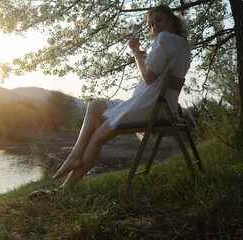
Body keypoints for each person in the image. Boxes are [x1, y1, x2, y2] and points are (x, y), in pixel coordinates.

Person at [52, 5, 191, 191]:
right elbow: (158, 77)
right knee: (94, 106)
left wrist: (136, 54)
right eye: (151, 24)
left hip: (149, 107)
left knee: (95, 139)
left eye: (159, 20)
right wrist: (143, 60)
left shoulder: (164, 39)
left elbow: (149, 78)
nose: (155, 27)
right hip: (162, 107)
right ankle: (75, 155)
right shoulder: (182, 45)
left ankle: (67, 187)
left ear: (172, 19)